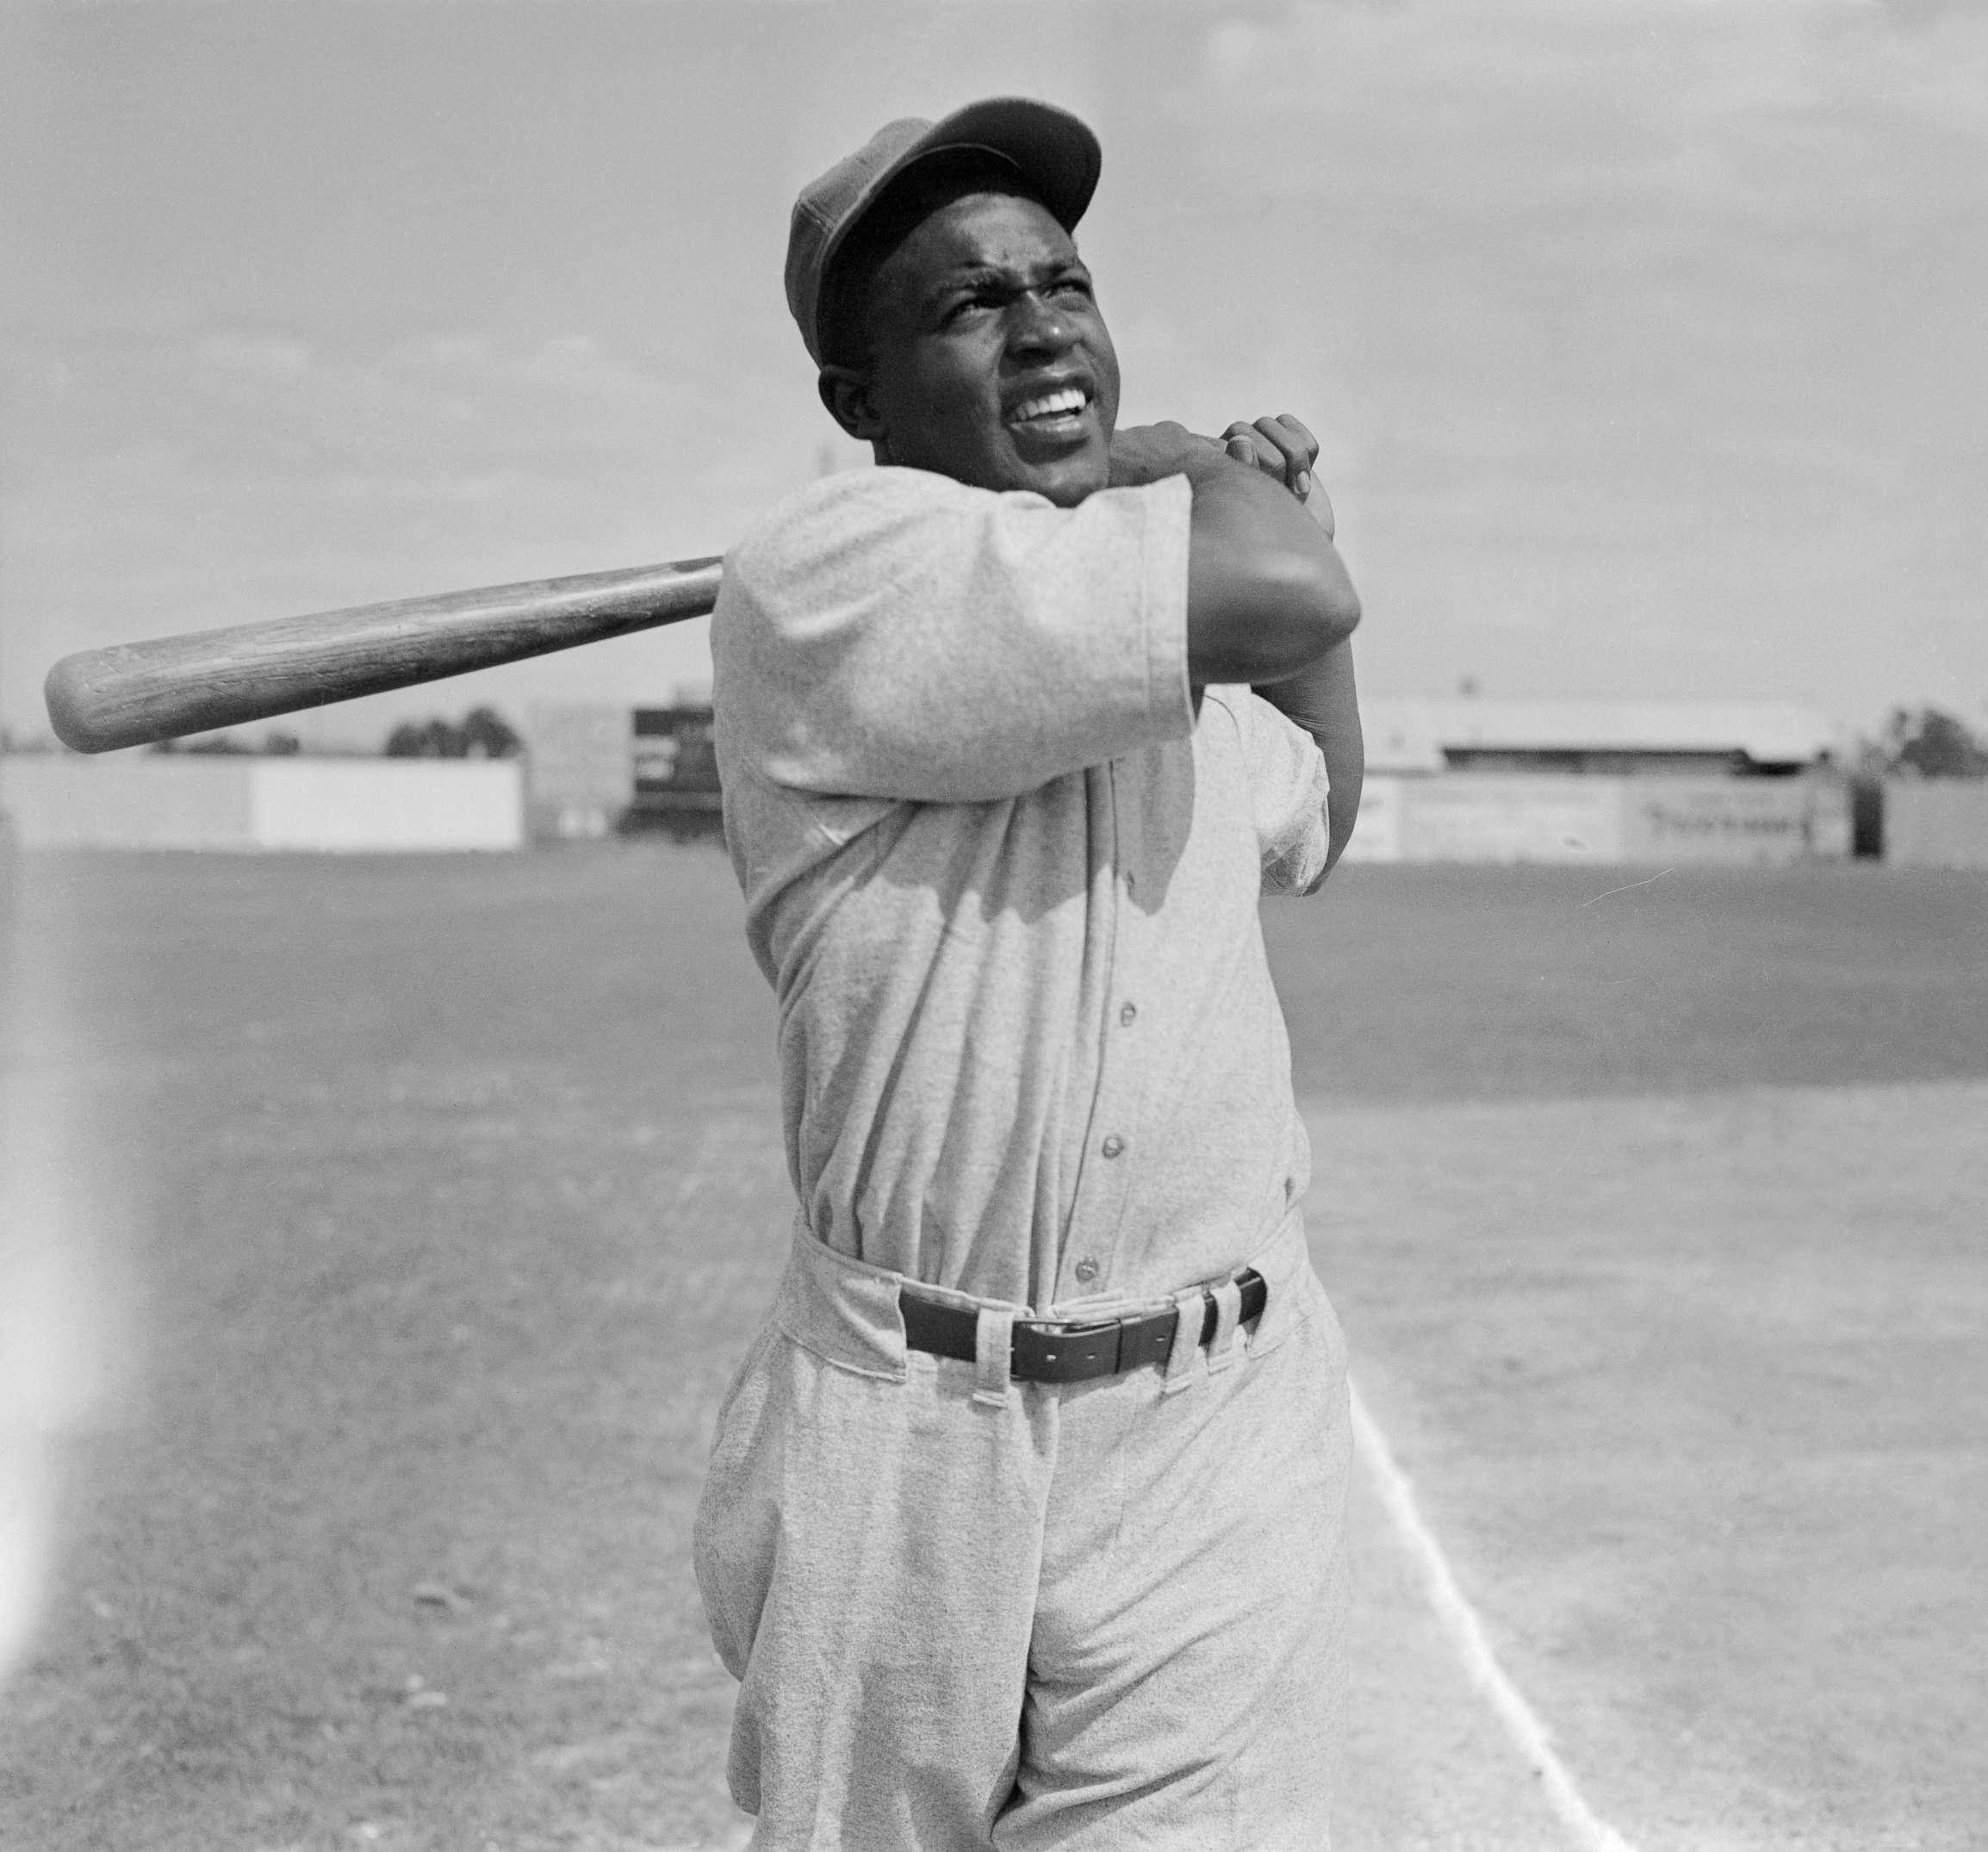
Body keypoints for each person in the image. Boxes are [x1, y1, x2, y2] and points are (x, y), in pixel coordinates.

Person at [693, 96, 1364, 1851]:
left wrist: (1267, 514)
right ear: (857, 405)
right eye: (972, 307)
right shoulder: (827, 578)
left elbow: (1315, 790)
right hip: (907, 1447)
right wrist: (1184, 473)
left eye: (1063, 282)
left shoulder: (1157, 631)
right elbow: (1281, 586)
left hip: (1211, 1421)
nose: (1045, 321)